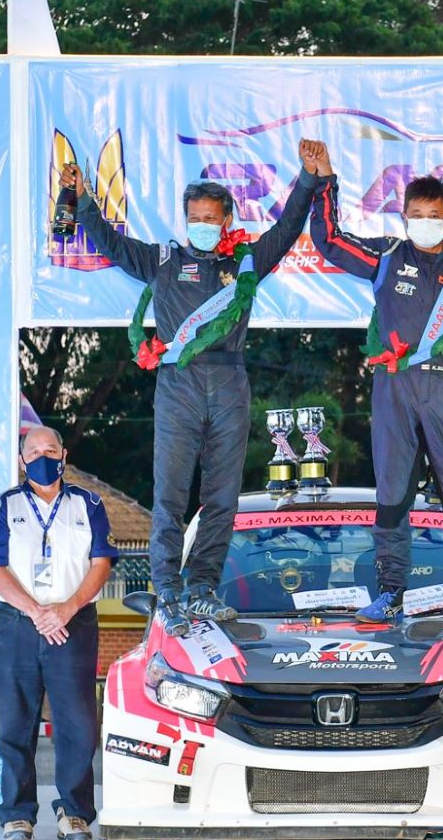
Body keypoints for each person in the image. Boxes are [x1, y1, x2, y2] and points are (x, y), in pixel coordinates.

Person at [63, 142, 317, 636]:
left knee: (222, 498)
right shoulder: (162, 260)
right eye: (194, 218)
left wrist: (307, 179)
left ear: (226, 221)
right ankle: (168, 592)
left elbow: (288, 229)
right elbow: (112, 244)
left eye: (210, 218)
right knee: (170, 497)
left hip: (230, 383)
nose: (201, 224)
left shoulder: (245, 263)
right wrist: (84, 200)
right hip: (178, 384)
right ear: (185, 220)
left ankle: (201, 588)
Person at [302, 139, 443, 630]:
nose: (424, 222)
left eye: (433, 215)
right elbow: (329, 240)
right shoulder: (386, 256)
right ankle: (391, 592)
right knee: (392, 498)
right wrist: (324, 180)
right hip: (394, 390)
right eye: (416, 215)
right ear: (404, 217)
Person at [0, 424, 117, 840]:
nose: (43, 456)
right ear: (23, 461)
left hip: (73, 623)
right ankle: (17, 815)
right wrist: (35, 611)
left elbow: (101, 563)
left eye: (50, 450)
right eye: (34, 451)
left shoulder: (88, 504)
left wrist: (66, 609)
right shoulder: (4, 506)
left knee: (78, 725)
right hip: (17, 624)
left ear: (64, 455)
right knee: (13, 723)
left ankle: (74, 813)